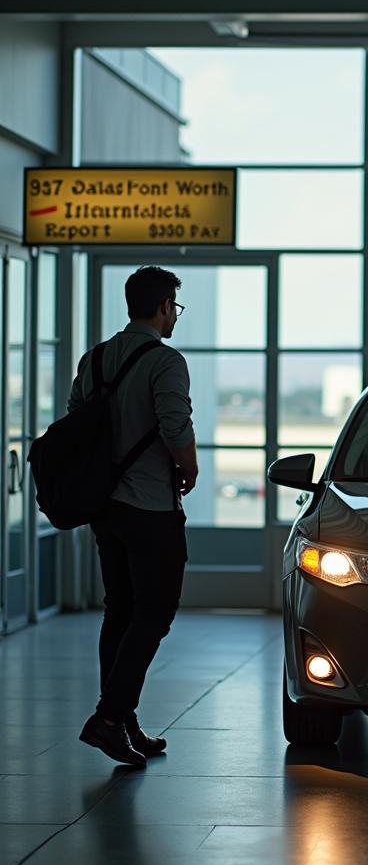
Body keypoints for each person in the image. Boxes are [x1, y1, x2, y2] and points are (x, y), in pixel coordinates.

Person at [73, 266, 198, 767]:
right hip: (150, 507)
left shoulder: (97, 357)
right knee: (154, 613)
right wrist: (188, 468)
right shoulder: (166, 361)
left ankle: (122, 722)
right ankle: (108, 718)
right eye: (174, 307)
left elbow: (74, 417)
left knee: (119, 612)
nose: (175, 316)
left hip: (106, 507)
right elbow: (175, 424)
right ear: (164, 305)